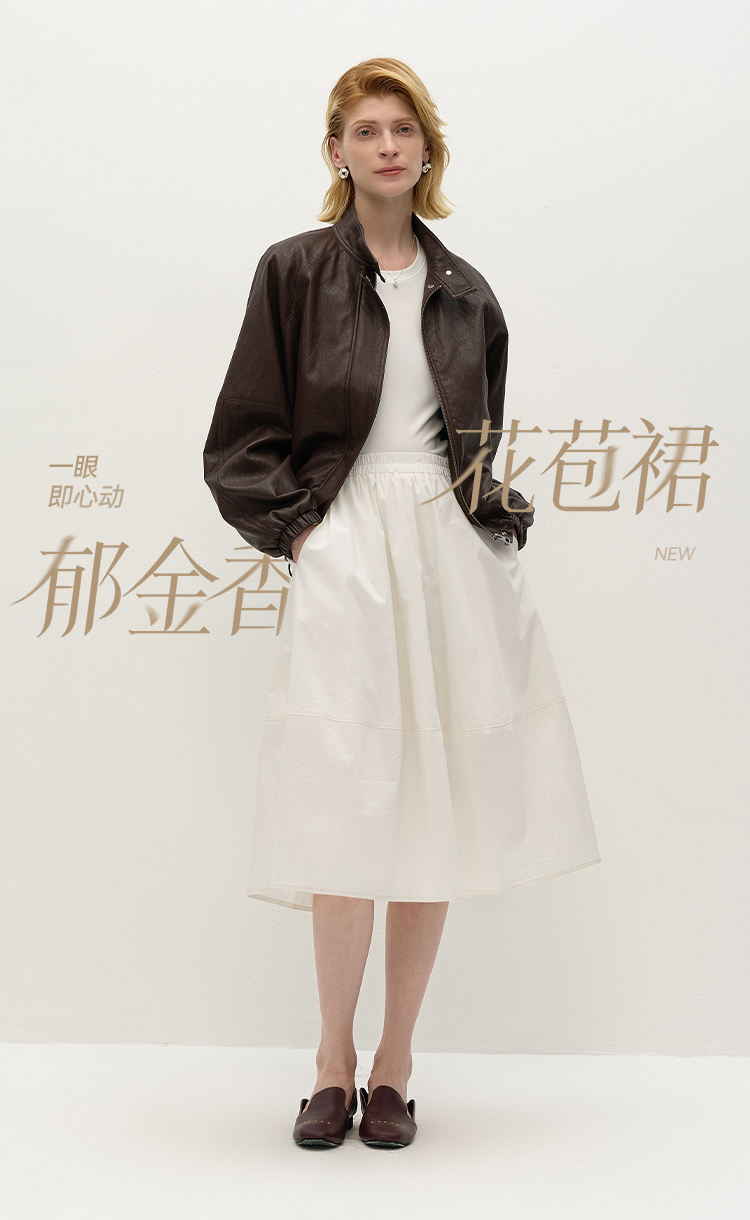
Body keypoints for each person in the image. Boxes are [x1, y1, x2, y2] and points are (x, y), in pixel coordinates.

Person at [203, 57, 600, 1150]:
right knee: (344, 802)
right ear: (336, 151)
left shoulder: (466, 290)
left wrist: (493, 525)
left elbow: (478, 440)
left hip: (447, 555)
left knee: (432, 812)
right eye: (367, 130)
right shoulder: (293, 270)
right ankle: (329, 1064)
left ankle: (394, 1068)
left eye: (404, 129)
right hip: (347, 544)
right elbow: (242, 433)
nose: (388, 146)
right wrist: (304, 534)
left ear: (428, 148)